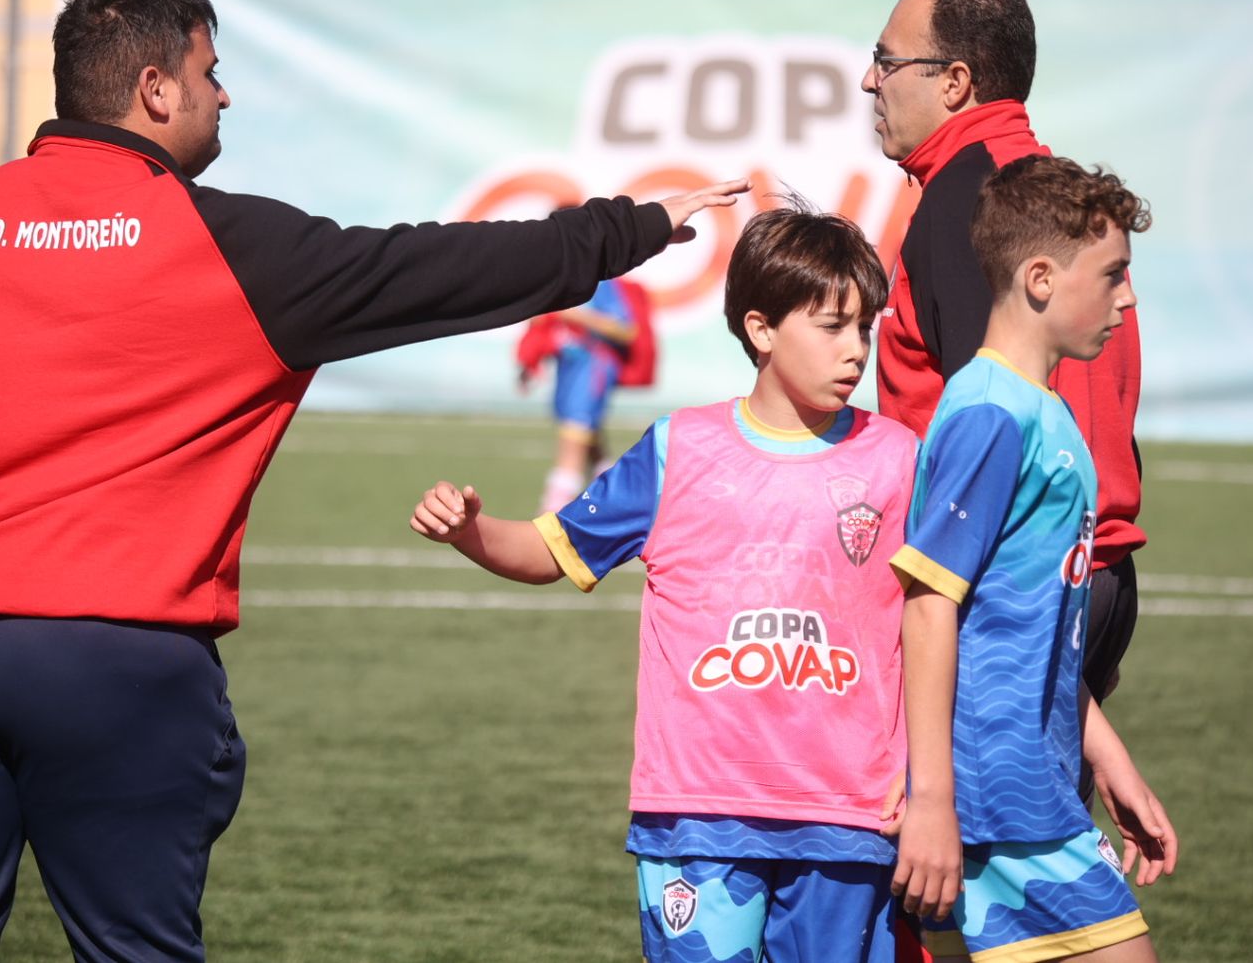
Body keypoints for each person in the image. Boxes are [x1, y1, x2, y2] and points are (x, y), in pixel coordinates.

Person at [0, 0, 745, 963]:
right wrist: (631, 228)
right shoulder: (233, 247)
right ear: (155, 89)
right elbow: (443, 268)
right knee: (136, 948)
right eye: (210, 72)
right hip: (108, 649)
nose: (224, 95)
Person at [411, 202, 925, 963]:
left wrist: (929, 781)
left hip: (850, 813)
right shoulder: (678, 448)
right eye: (831, 326)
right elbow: (551, 550)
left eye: (864, 328)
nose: (855, 350)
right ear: (760, 328)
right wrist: (470, 531)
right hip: (696, 810)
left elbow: (941, 619)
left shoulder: (899, 457)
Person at [888, 155, 1178, 962]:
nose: (1127, 298)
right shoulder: (991, 416)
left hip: (1028, 791)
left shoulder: (1042, 411)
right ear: (1041, 278)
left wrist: (1109, 760)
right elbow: (929, 604)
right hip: (997, 806)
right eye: (1113, 274)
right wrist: (933, 800)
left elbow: (1029, 627)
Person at [861, 0, 1144, 734]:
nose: (869, 80)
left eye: (886, 60)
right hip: (1083, 573)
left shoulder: (973, 204)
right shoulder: (1049, 194)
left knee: (954, 812)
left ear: (955, 81)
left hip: (1017, 585)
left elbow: (989, 429)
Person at [516, 274, 641, 513]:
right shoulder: (558, 280)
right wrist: (529, 363)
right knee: (587, 436)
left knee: (574, 436)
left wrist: (575, 315)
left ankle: (553, 511)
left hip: (592, 368)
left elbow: (627, 331)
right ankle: (619, 497)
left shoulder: (600, 283)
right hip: (568, 369)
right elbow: (544, 329)